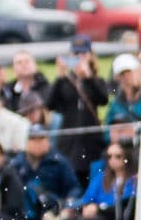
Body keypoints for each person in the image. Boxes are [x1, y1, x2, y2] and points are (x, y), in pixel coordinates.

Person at [13, 123, 80, 220]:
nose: (37, 143)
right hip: (25, 209)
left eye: (41, 139)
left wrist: (68, 205)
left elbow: (73, 188)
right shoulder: (17, 163)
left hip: (52, 208)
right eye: (33, 139)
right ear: (27, 141)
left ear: (48, 141)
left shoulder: (59, 162)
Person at [61, 142, 137, 220]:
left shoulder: (133, 180)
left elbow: (128, 206)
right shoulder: (101, 178)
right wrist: (76, 207)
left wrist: (100, 209)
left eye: (117, 156)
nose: (112, 160)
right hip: (95, 217)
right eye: (109, 156)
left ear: (127, 157)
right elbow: (87, 199)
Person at [47, 38, 109, 181]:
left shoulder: (97, 81)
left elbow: (103, 100)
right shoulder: (64, 82)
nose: (79, 58)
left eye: (83, 54)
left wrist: (88, 77)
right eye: (76, 55)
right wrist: (60, 77)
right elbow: (50, 104)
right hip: (69, 143)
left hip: (91, 142)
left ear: (90, 56)